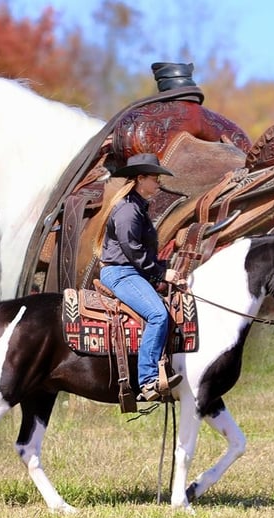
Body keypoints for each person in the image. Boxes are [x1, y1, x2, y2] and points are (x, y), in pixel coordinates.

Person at [94, 153, 180, 401]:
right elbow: (132, 249)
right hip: (121, 273)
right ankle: (148, 380)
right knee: (158, 315)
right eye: (155, 178)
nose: (158, 183)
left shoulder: (136, 206)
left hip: (129, 270)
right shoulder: (129, 210)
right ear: (140, 179)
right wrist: (162, 272)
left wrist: (165, 269)